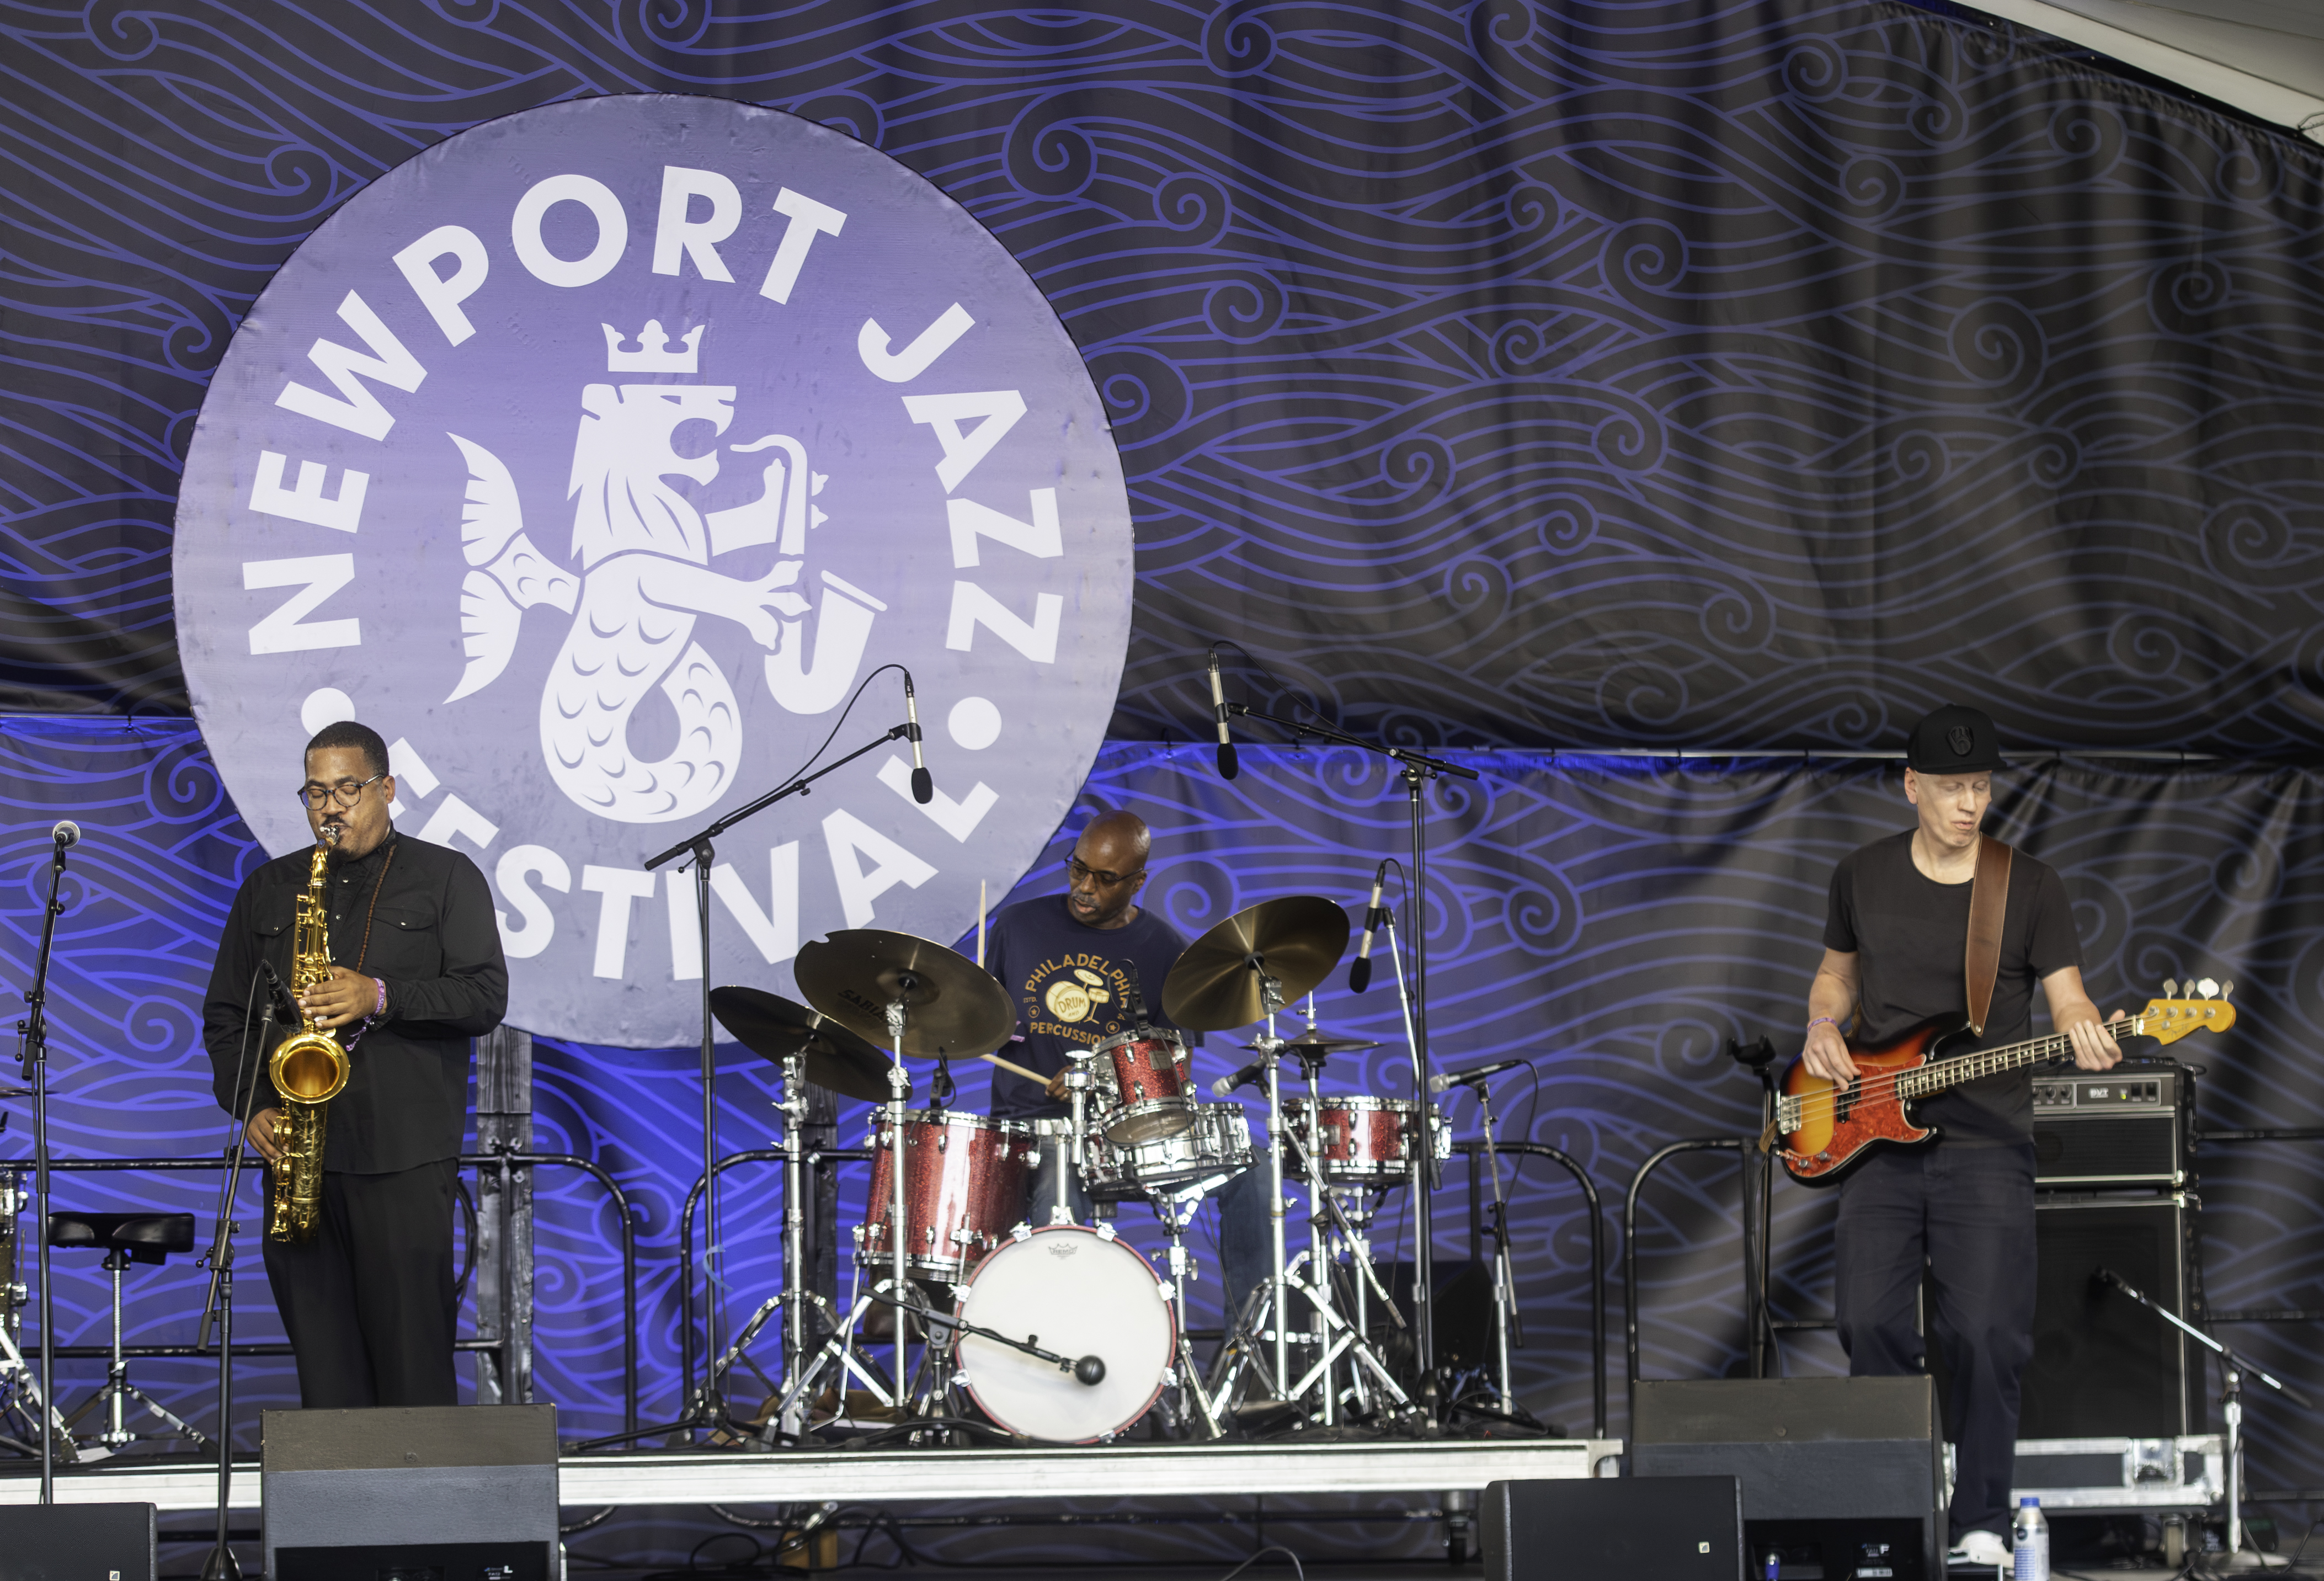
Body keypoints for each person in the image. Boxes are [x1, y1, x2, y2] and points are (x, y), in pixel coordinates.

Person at [1801, 705, 2120, 1565]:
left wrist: (2086, 1026)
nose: (1969, 804)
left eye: (1980, 788)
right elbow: (1835, 977)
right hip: (1874, 1140)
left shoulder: (2029, 886)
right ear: (1912, 786)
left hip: (1987, 1147)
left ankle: (1979, 1518)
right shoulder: (1859, 874)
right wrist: (1820, 1028)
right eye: (1951, 789)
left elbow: (2068, 997)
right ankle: (1896, 1508)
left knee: (1987, 1338)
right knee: (1867, 1325)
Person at [202, 720, 508, 1409]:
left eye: (348, 788)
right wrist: (251, 1104)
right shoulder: (270, 888)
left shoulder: (445, 877)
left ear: (387, 789)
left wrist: (380, 994)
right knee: (327, 1377)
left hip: (403, 1155)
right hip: (298, 1160)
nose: (330, 807)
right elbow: (226, 1018)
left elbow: (485, 997)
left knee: (412, 1369)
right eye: (316, 793)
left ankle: (425, 1515)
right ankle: (342, 1514)